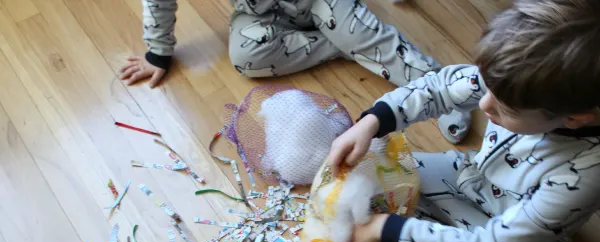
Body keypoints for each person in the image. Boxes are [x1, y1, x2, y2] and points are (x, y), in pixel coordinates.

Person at [328, 0, 600, 242]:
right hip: (466, 177)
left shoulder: (585, 173)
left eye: (505, 110)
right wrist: (373, 121)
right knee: (365, 171)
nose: (485, 105)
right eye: (485, 87)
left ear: (576, 120)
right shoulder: (514, 80)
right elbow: (440, 88)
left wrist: (387, 232)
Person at [119, 0, 470, 144]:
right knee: (247, 56)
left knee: (363, 33)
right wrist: (159, 51)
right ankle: (349, 46)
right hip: (261, 12)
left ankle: (444, 90)